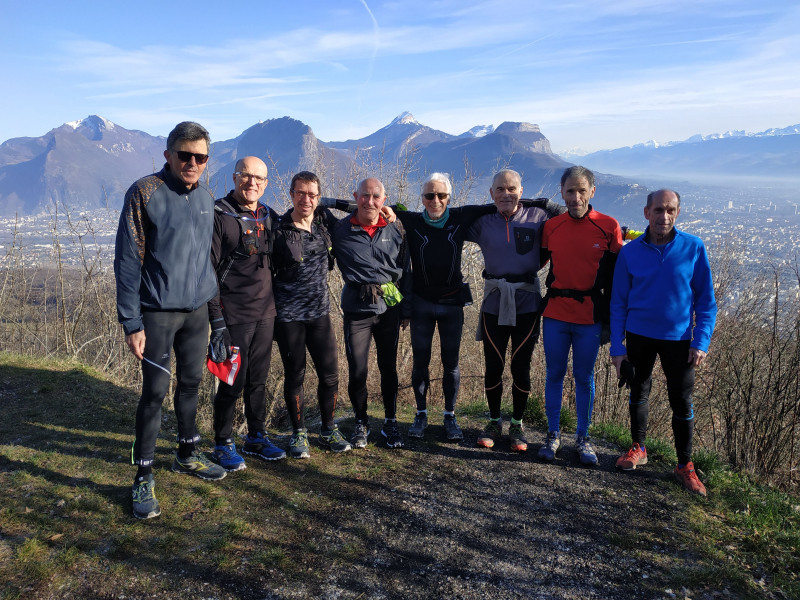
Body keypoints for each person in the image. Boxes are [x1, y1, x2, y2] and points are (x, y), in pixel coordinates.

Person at [115, 121, 226, 520]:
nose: (192, 163)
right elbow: (128, 261)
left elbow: (207, 262)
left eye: (201, 157)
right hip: (158, 312)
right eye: (185, 155)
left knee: (192, 383)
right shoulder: (145, 192)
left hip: (196, 312)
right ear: (168, 155)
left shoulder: (206, 197)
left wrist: (217, 317)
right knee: (155, 391)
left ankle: (187, 453)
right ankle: (143, 475)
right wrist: (132, 322)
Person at [610, 188, 717, 496]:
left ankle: (685, 465)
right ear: (647, 213)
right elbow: (618, 303)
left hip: (679, 339)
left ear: (678, 213)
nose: (664, 216)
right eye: (658, 210)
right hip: (639, 334)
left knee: (681, 400)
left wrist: (701, 341)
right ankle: (638, 448)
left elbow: (706, 302)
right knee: (638, 391)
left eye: (670, 210)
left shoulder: (693, 247)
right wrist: (617, 347)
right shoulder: (630, 252)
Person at [467, 169, 563, 452]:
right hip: (494, 301)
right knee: (493, 365)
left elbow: (574, 216)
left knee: (521, 366)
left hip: (527, 302)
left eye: (512, 189)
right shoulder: (482, 222)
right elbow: (449, 221)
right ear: (491, 193)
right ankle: (494, 421)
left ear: (522, 191)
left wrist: (542, 203)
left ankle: (517, 424)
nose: (506, 194)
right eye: (500, 189)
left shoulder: (539, 217)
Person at [538, 166, 623, 465]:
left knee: (584, 378)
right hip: (556, 313)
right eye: (570, 191)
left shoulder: (608, 226)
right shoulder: (552, 227)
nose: (576, 197)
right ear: (562, 193)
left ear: (592, 192)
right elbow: (537, 262)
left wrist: (612, 323)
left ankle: (583, 438)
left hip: (590, 315)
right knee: (554, 374)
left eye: (582, 190)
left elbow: (616, 279)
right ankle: (552, 434)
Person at [207, 156, 286, 472]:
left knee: (258, 380)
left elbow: (304, 216)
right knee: (231, 382)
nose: (252, 182)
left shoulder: (268, 215)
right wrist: (216, 320)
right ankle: (222, 442)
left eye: (259, 178)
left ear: (266, 183)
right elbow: (207, 272)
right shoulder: (219, 214)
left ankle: (256, 437)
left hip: (266, 313)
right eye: (246, 175)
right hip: (233, 315)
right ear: (235, 177)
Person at [271, 171, 353, 457]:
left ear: (318, 197)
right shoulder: (279, 229)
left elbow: (358, 210)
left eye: (312, 194)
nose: (305, 199)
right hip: (288, 316)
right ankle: (299, 433)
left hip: (319, 313)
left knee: (330, 375)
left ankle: (328, 429)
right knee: (295, 375)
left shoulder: (323, 220)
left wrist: (326, 201)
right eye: (300, 193)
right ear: (291, 194)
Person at [332, 177, 411, 449]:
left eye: (376, 196)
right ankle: (361, 421)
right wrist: (336, 203)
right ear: (355, 196)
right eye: (364, 195)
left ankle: (390, 422)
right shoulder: (340, 229)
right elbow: (314, 206)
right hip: (357, 309)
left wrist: (406, 310)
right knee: (358, 370)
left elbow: (406, 269)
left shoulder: (395, 228)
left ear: (384, 200)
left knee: (388, 367)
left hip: (389, 307)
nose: (370, 201)